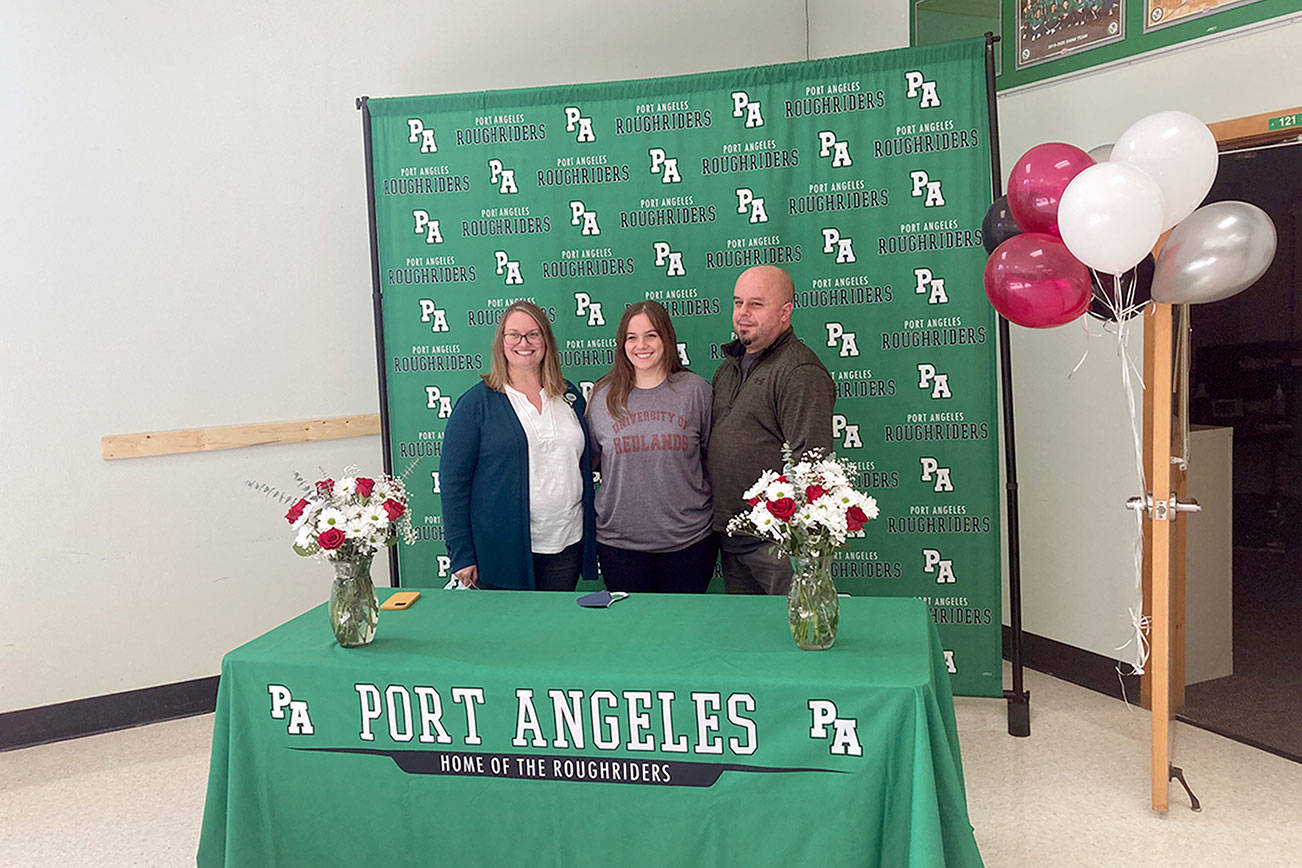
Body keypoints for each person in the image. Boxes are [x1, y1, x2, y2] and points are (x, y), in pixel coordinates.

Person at [440, 300, 597, 591]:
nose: (523, 342)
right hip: (501, 552)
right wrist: (461, 554)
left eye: (533, 334)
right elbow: (453, 484)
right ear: (501, 342)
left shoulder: (570, 396)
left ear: (546, 341)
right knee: (508, 634)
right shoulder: (476, 404)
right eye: (514, 334)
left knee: (554, 632)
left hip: (567, 543)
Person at [709, 265, 835, 595]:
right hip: (733, 536)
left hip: (777, 547)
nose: (743, 314)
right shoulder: (728, 368)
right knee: (748, 641)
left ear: (785, 312)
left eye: (756, 304)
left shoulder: (800, 371)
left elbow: (812, 465)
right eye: (738, 303)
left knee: (791, 633)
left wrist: (799, 542)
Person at [586, 301, 716, 593]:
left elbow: (711, 460)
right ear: (622, 344)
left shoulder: (696, 391)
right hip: (620, 543)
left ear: (667, 339)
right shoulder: (602, 396)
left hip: (689, 541)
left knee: (684, 633)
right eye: (632, 337)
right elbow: (592, 461)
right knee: (633, 635)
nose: (641, 345)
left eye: (651, 335)